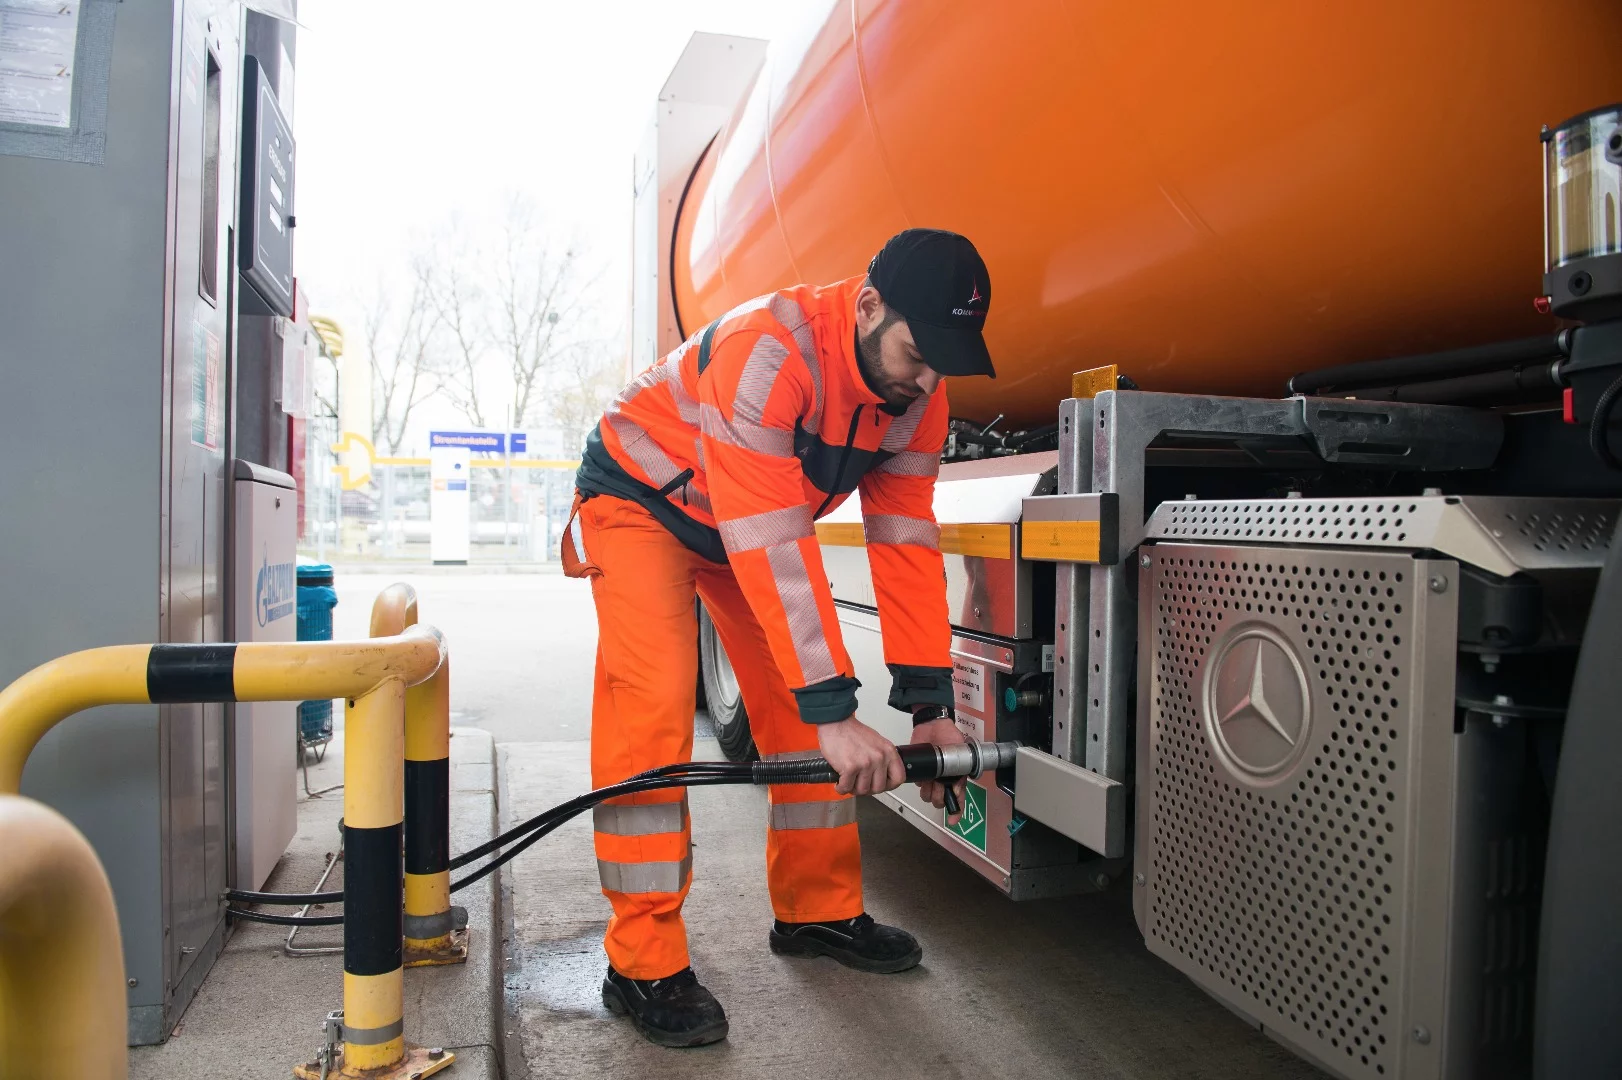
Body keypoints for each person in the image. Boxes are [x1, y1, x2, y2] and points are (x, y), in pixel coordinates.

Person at [561, 228, 996, 1047]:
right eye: (917, 352)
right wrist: (838, 705)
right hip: (643, 501)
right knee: (651, 715)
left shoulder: (919, 400)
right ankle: (641, 960)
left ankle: (817, 914)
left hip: (742, 522)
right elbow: (773, 543)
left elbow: (904, 547)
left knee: (800, 721)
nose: (930, 379)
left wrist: (930, 704)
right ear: (868, 307)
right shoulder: (771, 352)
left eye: (948, 358)